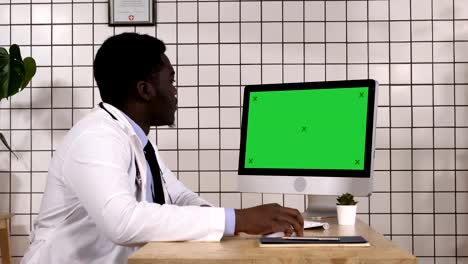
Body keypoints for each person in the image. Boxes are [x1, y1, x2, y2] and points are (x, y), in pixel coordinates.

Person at [21, 32, 304, 264]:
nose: (175, 91)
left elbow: (178, 196)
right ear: (145, 90)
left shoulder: (137, 141)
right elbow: (122, 222)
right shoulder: (95, 137)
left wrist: (233, 224)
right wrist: (235, 218)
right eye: (171, 80)